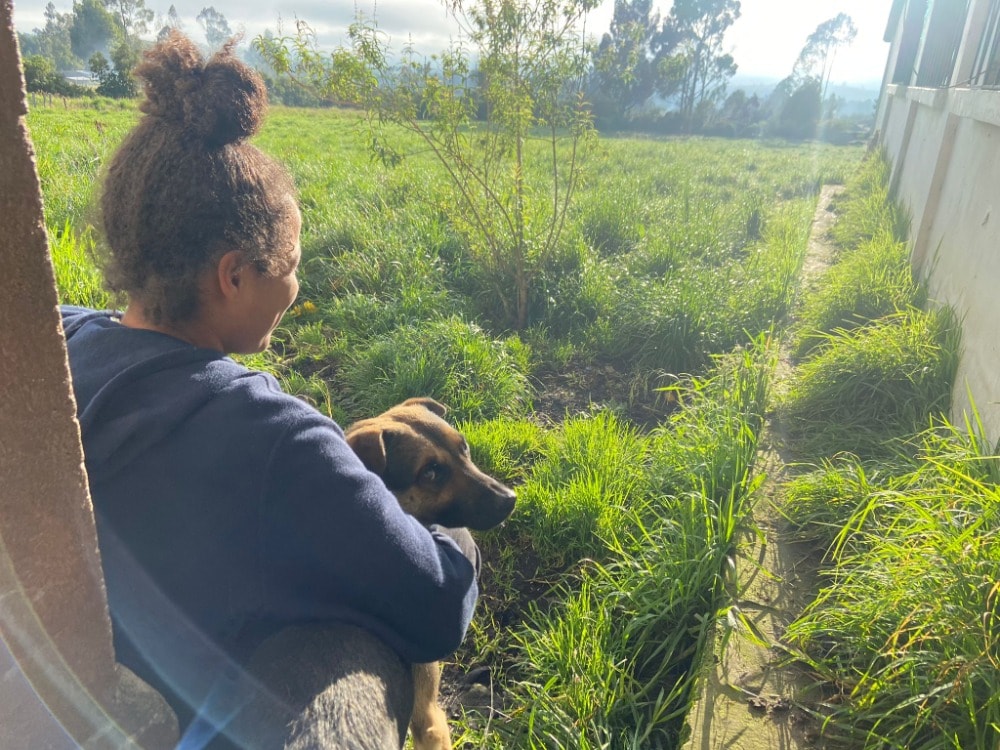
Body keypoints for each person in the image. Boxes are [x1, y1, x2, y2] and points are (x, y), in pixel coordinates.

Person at [60, 32, 479, 749]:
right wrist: (457, 537)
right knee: (350, 643)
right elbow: (437, 604)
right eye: (290, 262)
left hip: (67, 685)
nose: (297, 284)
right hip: (189, 717)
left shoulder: (56, 342)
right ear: (233, 275)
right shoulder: (271, 438)